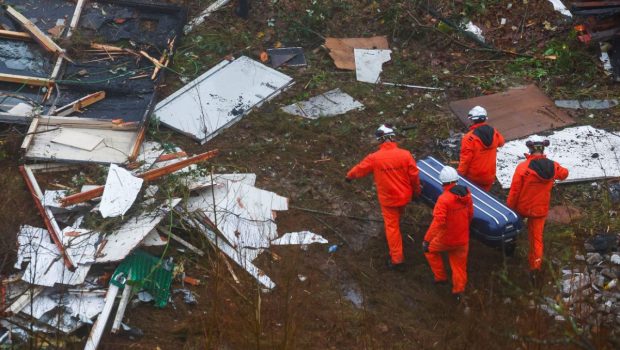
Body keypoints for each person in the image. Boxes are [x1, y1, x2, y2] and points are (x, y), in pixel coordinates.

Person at [346, 124, 421, 270]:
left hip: (389, 201)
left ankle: (397, 260)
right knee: (397, 218)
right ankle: (399, 241)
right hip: (404, 196)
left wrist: (349, 176)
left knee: (392, 228)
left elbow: (360, 169)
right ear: (392, 138)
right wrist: (416, 193)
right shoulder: (405, 154)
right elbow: (414, 176)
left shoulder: (375, 158)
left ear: (380, 140)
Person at [506, 136, 569, 276]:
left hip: (522, 208)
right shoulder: (553, 166)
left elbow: (514, 191)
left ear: (530, 148)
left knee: (512, 229)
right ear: (543, 148)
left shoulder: (523, 167)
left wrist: (509, 209)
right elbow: (564, 174)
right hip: (539, 210)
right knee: (536, 240)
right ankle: (535, 269)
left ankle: (509, 252)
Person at [423, 166, 474, 299]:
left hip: (446, 239)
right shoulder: (467, 194)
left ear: (443, 182)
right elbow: (470, 214)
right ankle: (459, 292)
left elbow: (438, 222)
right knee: (459, 266)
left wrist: (427, 240)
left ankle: (440, 278)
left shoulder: (444, 199)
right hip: (463, 239)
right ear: (456, 180)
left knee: (429, 250)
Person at [457, 106, 505, 191]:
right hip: (489, 176)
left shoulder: (469, 138)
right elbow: (501, 143)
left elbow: (465, 160)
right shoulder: (493, 132)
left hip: (473, 177)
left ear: (472, 119)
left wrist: (459, 176)